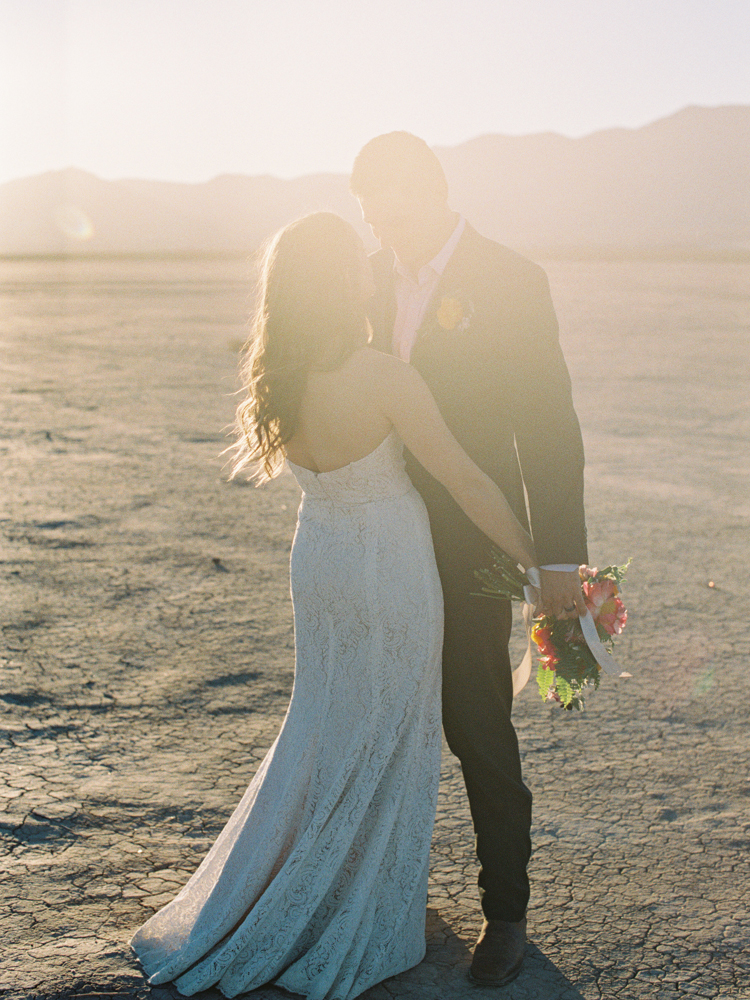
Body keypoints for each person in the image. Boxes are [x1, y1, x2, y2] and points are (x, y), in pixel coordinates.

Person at [129, 212, 537, 1000]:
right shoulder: (385, 375)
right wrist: (544, 561)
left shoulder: (277, 374)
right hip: (387, 565)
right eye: (356, 265)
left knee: (327, 724)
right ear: (339, 281)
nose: (369, 273)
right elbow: (467, 479)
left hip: (321, 559)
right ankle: (352, 908)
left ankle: (311, 886)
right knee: (387, 732)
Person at [350, 132, 588, 986]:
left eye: (394, 202)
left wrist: (558, 561)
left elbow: (550, 432)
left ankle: (507, 914)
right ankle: (374, 887)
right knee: (376, 712)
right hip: (378, 534)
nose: (381, 221)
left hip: (478, 544)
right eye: (367, 205)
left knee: (477, 720)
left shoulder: (512, 280)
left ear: (436, 189)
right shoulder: (365, 278)